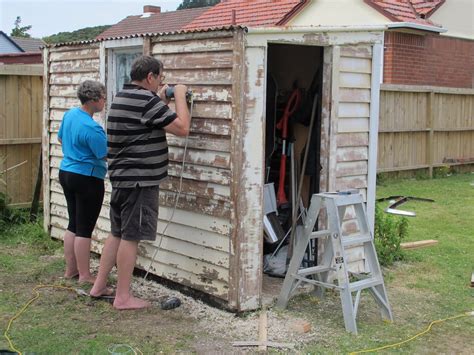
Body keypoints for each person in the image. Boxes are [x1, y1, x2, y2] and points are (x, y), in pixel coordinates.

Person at [90, 55, 191, 309]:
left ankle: (99, 285)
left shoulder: (123, 97)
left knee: (117, 233)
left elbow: (148, 119)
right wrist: (179, 93)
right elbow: (182, 128)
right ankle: (123, 297)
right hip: (139, 182)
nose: (161, 83)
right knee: (131, 237)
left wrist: (162, 98)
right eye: (160, 78)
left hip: (122, 179)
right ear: (150, 77)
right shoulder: (145, 100)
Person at [58, 80, 107, 284]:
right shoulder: (92, 128)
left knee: (73, 224)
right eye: (103, 97)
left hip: (66, 172)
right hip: (87, 178)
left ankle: (71, 271)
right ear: (94, 100)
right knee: (84, 228)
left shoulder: (69, 115)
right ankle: (85, 276)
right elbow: (103, 154)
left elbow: (61, 139)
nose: (104, 101)